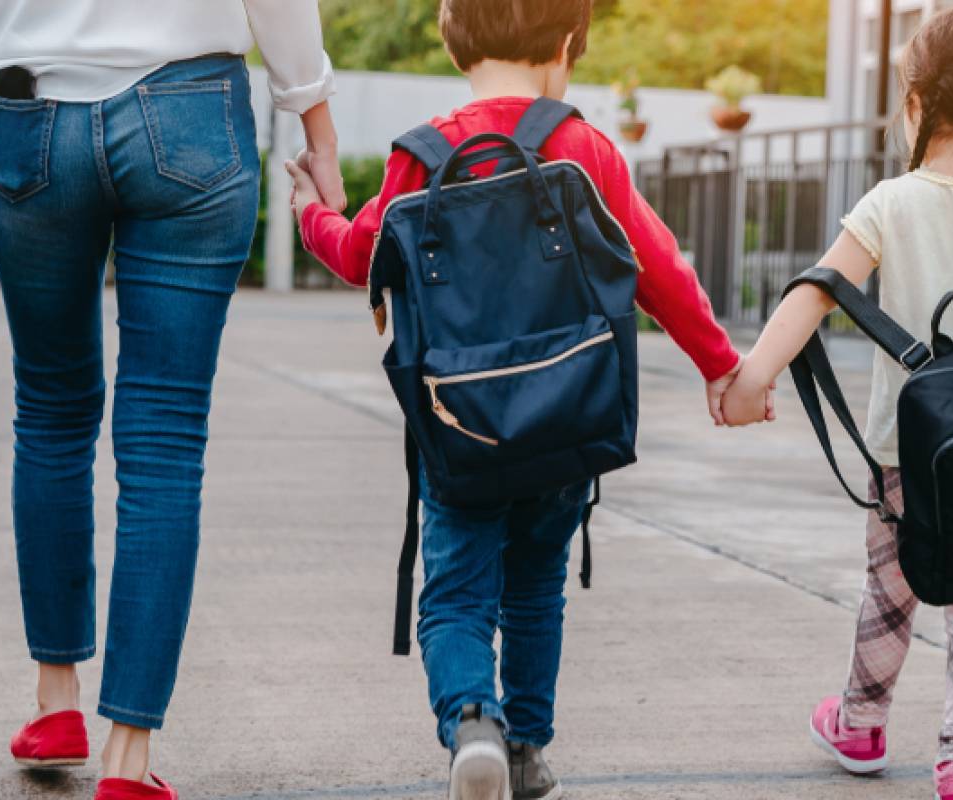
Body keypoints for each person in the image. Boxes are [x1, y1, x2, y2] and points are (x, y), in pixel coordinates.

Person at [0, 3, 345, 798]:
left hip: (30, 113)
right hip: (192, 114)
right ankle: (128, 762)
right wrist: (316, 128)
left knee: (50, 411)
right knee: (165, 441)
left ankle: (56, 704)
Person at [286, 1, 739, 796]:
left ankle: (472, 724)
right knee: (535, 586)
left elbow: (360, 254)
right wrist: (720, 364)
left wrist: (309, 215)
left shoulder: (421, 156)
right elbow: (657, 265)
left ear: (454, 40)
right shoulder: (583, 147)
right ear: (566, 44)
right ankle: (525, 748)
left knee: (456, 595)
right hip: (566, 420)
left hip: (460, 427)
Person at [719, 8, 953, 800]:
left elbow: (816, 291)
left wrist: (752, 379)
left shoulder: (891, 202)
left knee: (890, 589)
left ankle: (861, 722)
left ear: (915, 103)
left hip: (904, 452)